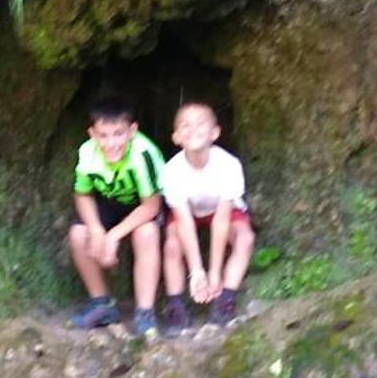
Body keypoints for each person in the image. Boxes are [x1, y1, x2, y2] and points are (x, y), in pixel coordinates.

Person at [67, 99, 166, 335]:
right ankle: (102, 304)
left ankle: (145, 312)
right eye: (103, 135)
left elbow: (152, 206)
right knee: (78, 234)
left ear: (132, 131)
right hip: (110, 201)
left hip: (142, 204)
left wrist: (112, 237)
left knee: (147, 233)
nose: (111, 143)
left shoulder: (143, 153)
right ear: (92, 134)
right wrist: (96, 229)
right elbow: (83, 195)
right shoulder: (87, 152)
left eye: (118, 134)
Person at [160, 101, 255, 331]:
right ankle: (176, 306)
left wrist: (214, 273)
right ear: (176, 137)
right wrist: (196, 271)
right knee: (172, 244)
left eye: (201, 123)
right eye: (185, 125)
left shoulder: (228, 165)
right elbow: (183, 221)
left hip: (221, 211)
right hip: (188, 213)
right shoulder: (172, 171)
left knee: (245, 238)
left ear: (215, 133)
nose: (193, 129)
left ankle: (224, 301)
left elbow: (222, 220)